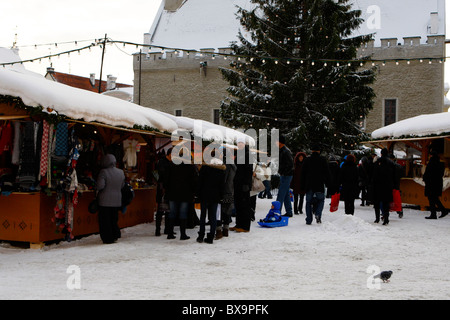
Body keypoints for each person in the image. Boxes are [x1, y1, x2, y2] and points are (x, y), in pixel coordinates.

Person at [164, 148, 198, 240]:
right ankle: (183, 234)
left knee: (172, 212)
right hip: (185, 194)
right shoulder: (190, 167)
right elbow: (194, 181)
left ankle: (170, 233)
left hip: (172, 193)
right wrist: (194, 192)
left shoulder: (171, 165)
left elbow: (166, 179)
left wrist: (167, 189)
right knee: (183, 213)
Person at [197, 152, 226, 244]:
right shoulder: (221, 170)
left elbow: (199, 182)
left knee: (203, 216)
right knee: (213, 216)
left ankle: (201, 236)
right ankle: (210, 237)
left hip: (204, 195)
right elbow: (222, 185)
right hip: (215, 196)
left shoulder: (205, 168)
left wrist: (197, 194)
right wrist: (221, 197)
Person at [96, 154, 125, 244]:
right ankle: (115, 235)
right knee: (114, 219)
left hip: (105, 201)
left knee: (105, 220)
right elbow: (122, 186)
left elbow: (100, 186)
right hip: (117, 200)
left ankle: (107, 238)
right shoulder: (121, 172)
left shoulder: (103, 172)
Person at [300, 144, 330, 224]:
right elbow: (327, 173)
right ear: (319, 151)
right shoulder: (322, 160)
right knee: (321, 200)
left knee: (308, 202)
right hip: (319, 184)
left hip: (309, 184)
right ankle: (318, 214)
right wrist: (328, 183)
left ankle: (309, 219)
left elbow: (303, 173)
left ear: (312, 151)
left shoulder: (307, 160)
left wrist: (302, 185)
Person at [230, 138, 253, 233]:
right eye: (238, 143)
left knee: (244, 205)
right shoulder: (239, 153)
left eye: (241, 143)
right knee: (238, 204)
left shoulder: (247, 154)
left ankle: (245, 226)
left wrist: (246, 184)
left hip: (243, 184)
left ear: (244, 144)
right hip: (237, 183)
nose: (239, 144)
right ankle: (239, 224)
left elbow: (248, 171)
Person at [372, 148, 396, 225]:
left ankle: (377, 218)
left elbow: (374, 175)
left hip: (378, 185)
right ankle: (386, 218)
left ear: (381, 153)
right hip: (387, 186)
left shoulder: (377, 162)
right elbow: (394, 175)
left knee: (377, 202)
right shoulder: (391, 163)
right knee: (386, 203)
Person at [216, 148, 236, 239]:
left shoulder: (224, 164)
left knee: (219, 210)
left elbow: (223, 179)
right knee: (227, 210)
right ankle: (226, 229)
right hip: (230, 190)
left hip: (222, 190)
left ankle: (219, 230)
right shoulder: (233, 164)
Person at [423, 149, 448, 219]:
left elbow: (427, 174)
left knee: (431, 199)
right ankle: (443, 211)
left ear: (431, 156)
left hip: (431, 184)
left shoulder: (431, 163)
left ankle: (433, 214)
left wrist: (425, 179)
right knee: (435, 198)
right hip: (438, 184)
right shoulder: (441, 164)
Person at [155, 148, 172, 236]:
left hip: (168, 189)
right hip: (162, 189)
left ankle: (167, 229)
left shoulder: (170, 163)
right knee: (160, 211)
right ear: (169, 154)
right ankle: (158, 230)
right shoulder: (162, 162)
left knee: (168, 210)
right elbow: (159, 175)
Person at [275, 135, 294, 217]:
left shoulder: (285, 151)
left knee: (281, 194)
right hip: (285, 174)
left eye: (276, 141)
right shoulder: (283, 150)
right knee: (285, 194)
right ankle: (289, 211)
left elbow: (290, 165)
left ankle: (276, 211)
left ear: (280, 142)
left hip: (286, 175)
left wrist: (283, 171)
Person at [389, 153, 404, 218]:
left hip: (392, 184)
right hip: (396, 185)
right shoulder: (398, 166)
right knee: (397, 199)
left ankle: (398, 211)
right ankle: (399, 211)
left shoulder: (391, 166)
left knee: (393, 199)